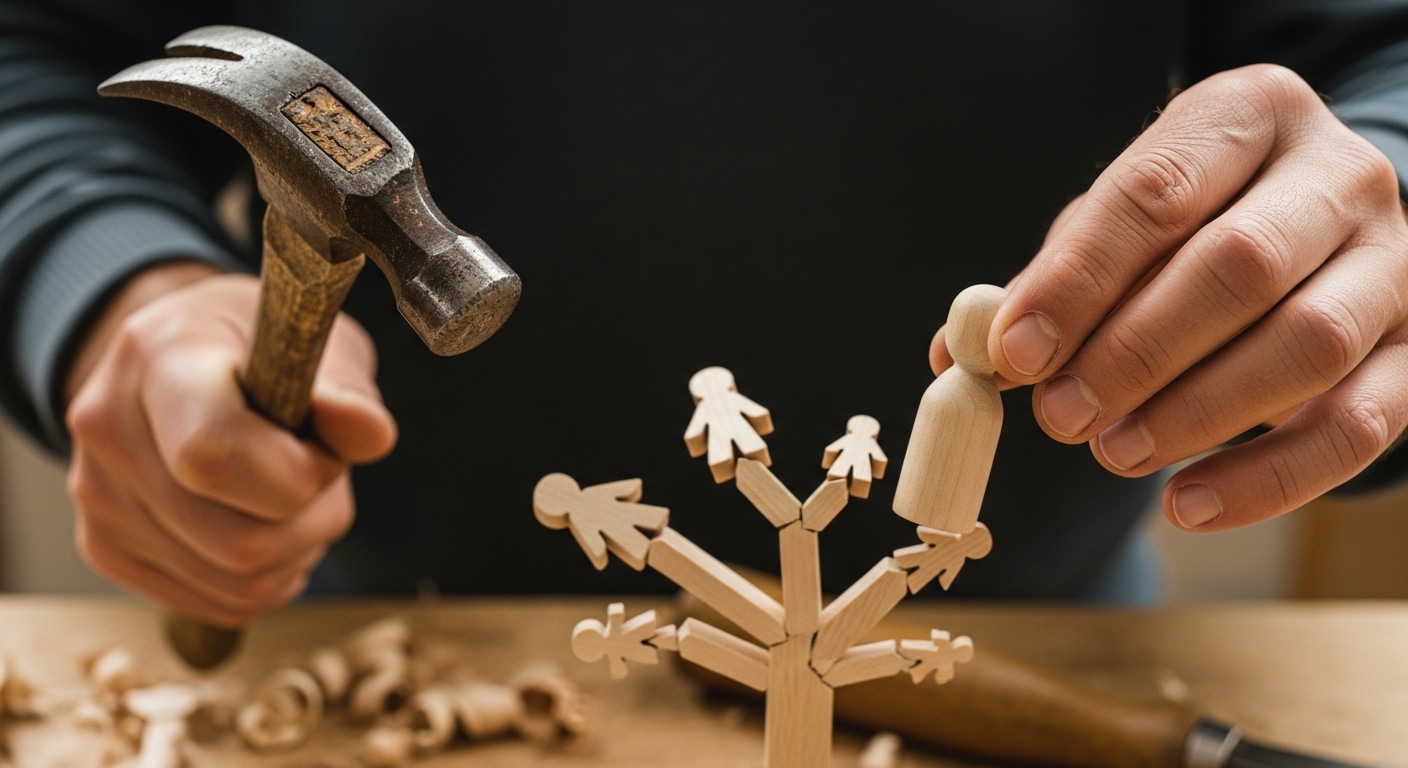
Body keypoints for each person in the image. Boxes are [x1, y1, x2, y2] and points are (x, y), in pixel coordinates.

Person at [3, 1, 1408, 628]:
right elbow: (38, 48)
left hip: (1041, 650)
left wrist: (1369, 224)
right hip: (383, 625)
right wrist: (110, 279)